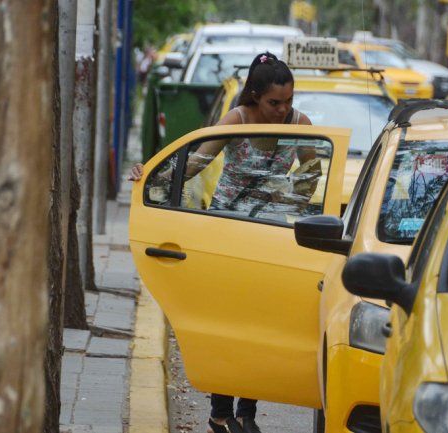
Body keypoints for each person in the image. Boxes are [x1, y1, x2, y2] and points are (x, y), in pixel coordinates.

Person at [130, 52, 313, 433]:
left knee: (261, 328)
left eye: (288, 102)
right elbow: (195, 162)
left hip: (272, 239)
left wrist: (288, 194)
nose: (282, 110)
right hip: (228, 234)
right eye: (274, 103)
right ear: (254, 96)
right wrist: (151, 173)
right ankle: (219, 412)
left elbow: (312, 175)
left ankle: (247, 412)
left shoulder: (301, 124)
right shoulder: (237, 119)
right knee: (229, 326)